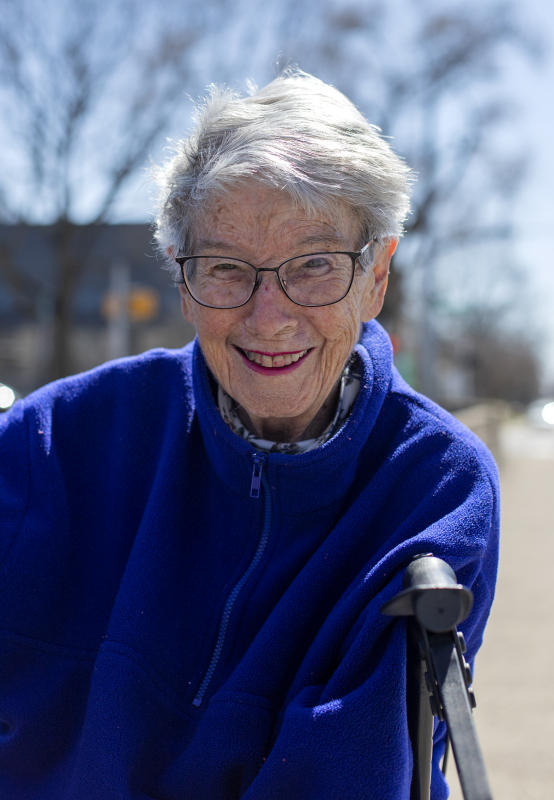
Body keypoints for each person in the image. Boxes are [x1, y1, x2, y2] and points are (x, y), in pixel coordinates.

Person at [0, 70, 499, 799]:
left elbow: (349, 776)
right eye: (227, 270)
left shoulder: (433, 486)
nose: (269, 318)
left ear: (377, 277)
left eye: (315, 266)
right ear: (181, 280)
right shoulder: (59, 440)